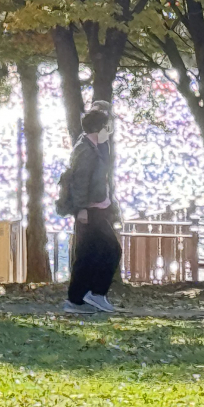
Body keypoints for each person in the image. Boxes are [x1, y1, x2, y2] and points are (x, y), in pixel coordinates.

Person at [63, 109, 121, 314]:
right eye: (106, 126)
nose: (108, 130)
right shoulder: (85, 149)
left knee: (90, 254)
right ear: (98, 128)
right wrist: (81, 209)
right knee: (111, 250)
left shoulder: (98, 147)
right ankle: (94, 294)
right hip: (91, 211)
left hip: (100, 208)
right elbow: (79, 181)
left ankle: (78, 298)